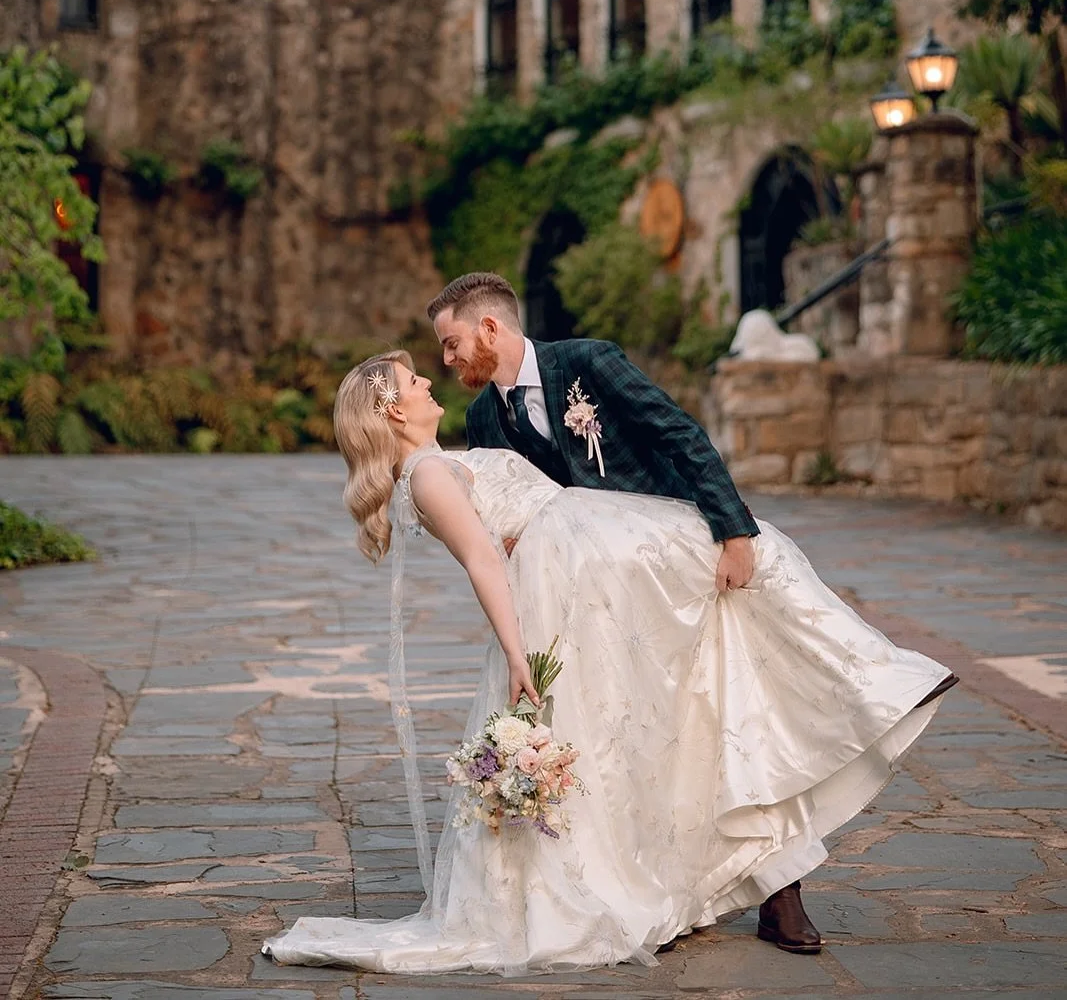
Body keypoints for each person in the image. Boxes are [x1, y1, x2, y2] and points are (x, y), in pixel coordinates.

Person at [263, 345, 956, 976]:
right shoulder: (431, 474)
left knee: (731, 614)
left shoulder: (447, 457)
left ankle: (864, 692)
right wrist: (516, 657)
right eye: (414, 380)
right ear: (392, 408)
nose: (427, 379)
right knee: (729, 616)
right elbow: (483, 562)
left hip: (596, 570)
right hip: (576, 588)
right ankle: (872, 682)